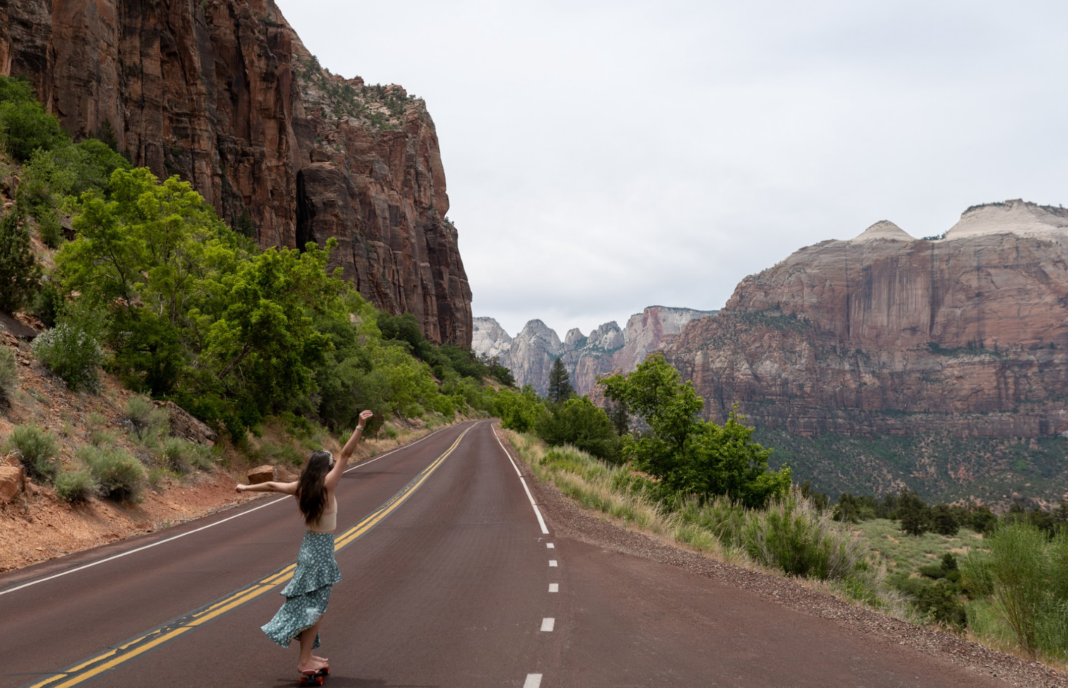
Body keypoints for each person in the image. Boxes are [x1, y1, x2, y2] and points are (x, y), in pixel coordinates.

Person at [236, 410, 374, 677]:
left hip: (308, 549)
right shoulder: (327, 485)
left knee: (311, 608)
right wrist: (359, 426)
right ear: (326, 469)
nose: (334, 466)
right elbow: (346, 454)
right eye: (331, 464)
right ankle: (303, 661)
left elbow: (273, 486)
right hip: (320, 553)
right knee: (316, 609)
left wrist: (245, 487)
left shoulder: (302, 487)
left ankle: (308, 656)